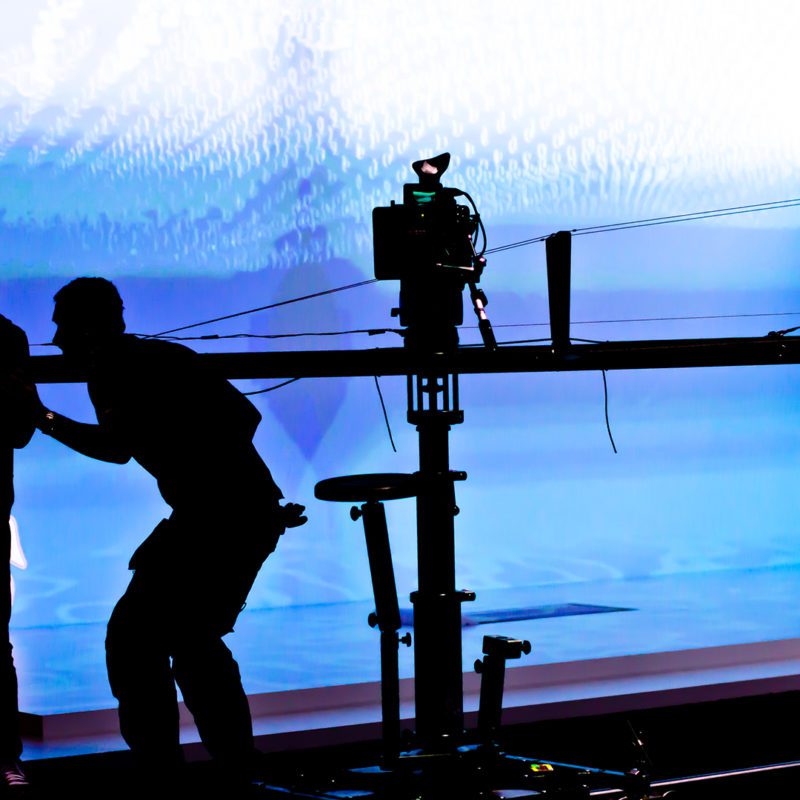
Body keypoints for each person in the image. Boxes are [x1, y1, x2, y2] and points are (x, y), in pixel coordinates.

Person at [34, 278, 305, 791]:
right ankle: (231, 767)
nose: (55, 338)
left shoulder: (113, 371)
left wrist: (43, 418)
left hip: (218, 519)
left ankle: (177, 772)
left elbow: (116, 448)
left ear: (88, 329)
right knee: (186, 642)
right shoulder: (161, 357)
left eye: (62, 325)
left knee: (142, 640)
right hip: (231, 516)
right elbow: (243, 416)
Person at [0, 315, 36, 793]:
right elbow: (23, 428)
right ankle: (5, 756)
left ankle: (4, 754)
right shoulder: (8, 337)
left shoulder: (7, 338)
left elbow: (20, 428)